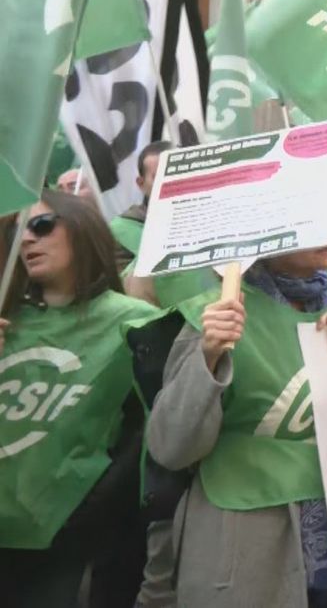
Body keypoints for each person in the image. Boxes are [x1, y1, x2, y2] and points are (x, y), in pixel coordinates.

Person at [146, 245, 327, 607]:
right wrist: (208, 355)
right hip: (244, 538)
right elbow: (171, 447)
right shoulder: (216, 313)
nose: (324, 234)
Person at [0, 191, 159, 607]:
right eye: (18, 231)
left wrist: (86, 518)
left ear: (81, 226)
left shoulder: (137, 323)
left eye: (41, 225)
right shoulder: (5, 320)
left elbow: (146, 436)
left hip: (69, 543)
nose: (28, 240)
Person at [109, 140, 172, 272]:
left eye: (178, 173)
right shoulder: (120, 230)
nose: (171, 181)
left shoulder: (213, 217)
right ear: (141, 183)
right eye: (160, 176)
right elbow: (123, 286)